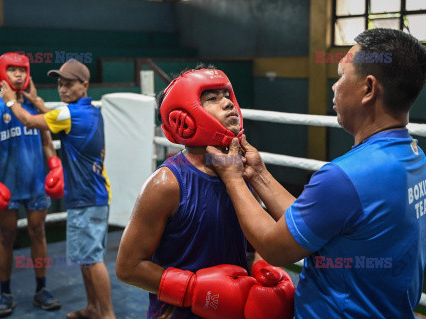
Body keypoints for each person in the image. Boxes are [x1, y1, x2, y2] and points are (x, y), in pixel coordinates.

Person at [207, 28, 426, 318]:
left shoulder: (346, 177)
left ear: (368, 88)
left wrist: (232, 178)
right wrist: (258, 174)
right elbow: (320, 222)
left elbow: (274, 249)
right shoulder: (413, 157)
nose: (335, 86)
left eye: (341, 75)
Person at [115, 66, 295, 319]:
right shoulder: (167, 183)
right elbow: (127, 267)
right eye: (212, 98)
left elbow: (255, 240)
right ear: (184, 116)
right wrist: (193, 290)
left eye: (227, 95)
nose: (228, 103)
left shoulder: (243, 173)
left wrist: (261, 266)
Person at [0, 58, 114, 319]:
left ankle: (108, 315)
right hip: (93, 194)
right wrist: (39, 101)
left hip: (87, 197)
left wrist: (10, 100)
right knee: (87, 257)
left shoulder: (68, 114)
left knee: (93, 259)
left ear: (84, 84)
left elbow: (29, 121)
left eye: (69, 84)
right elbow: (55, 116)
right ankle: (92, 309)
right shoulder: (92, 111)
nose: (63, 89)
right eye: (60, 84)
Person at [0, 52, 63, 317]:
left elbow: (47, 139)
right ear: (0, 73)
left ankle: (41, 289)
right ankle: (5, 293)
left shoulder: (33, 103)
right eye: (12, 70)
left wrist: (55, 166)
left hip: (36, 181)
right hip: (7, 184)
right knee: (6, 236)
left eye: (22, 70)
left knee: (38, 233)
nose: (18, 75)